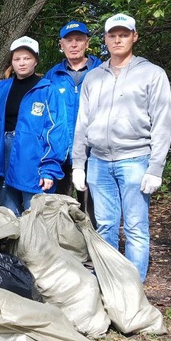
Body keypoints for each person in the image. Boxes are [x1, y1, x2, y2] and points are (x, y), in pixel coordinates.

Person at [72, 13, 171, 282]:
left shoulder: (152, 74)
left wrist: (155, 168)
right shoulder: (93, 77)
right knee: (104, 226)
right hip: (99, 162)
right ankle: (109, 283)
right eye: (112, 35)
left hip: (136, 159)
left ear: (134, 36)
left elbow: (163, 123)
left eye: (124, 34)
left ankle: (132, 288)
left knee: (136, 227)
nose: (117, 40)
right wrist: (78, 164)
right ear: (104, 39)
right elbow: (82, 123)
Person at [0, 37, 67, 216]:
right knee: (8, 214)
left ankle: (36, 245)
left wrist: (49, 169)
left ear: (35, 61)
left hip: (33, 157)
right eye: (17, 59)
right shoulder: (1, 88)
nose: (22, 63)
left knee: (36, 214)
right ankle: (12, 244)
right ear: (12, 62)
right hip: (4, 154)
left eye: (27, 58)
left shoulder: (47, 90)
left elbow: (56, 130)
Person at [45, 20, 102, 220]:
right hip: (61, 153)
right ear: (61, 44)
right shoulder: (53, 76)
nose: (74, 44)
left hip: (93, 153)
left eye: (79, 39)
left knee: (92, 213)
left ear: (87, 43)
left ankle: (93, 250)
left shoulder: (101, 72)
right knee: (61, 212)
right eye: (69, 40)